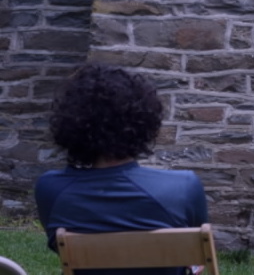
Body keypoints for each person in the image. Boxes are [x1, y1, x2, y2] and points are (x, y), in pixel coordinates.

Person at [34, 63, 208, 274]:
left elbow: (60, 249)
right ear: (144, 122)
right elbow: (196, 256)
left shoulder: (50, 188)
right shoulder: (184, 186)